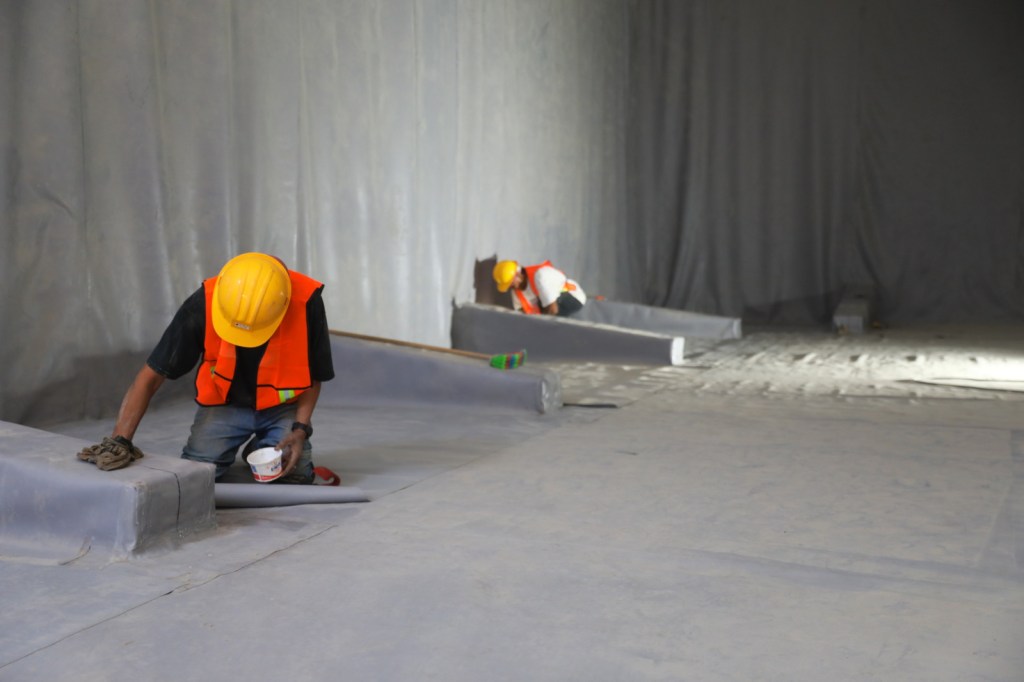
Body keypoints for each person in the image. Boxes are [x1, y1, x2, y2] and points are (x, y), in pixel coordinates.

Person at [78, 252, 335, 484]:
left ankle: (261, 446)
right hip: (225, 404)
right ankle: (259, 445)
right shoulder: (206, 302)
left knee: (294, 475)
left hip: (282, 410)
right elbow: (151, 376)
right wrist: (120, 439)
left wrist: (301, 430)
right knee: (195, 478)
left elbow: (314, 375)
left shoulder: (306, 301)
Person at [492, 259, 587, 317]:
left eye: (510, 283)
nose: (510, 287)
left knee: (547, 311)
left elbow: (553, 310)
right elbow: (522, 317)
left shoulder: (541, 276)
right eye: (508, 285)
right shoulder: (517, 295)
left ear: (518, 275)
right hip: (550, 306)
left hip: (573, 297)